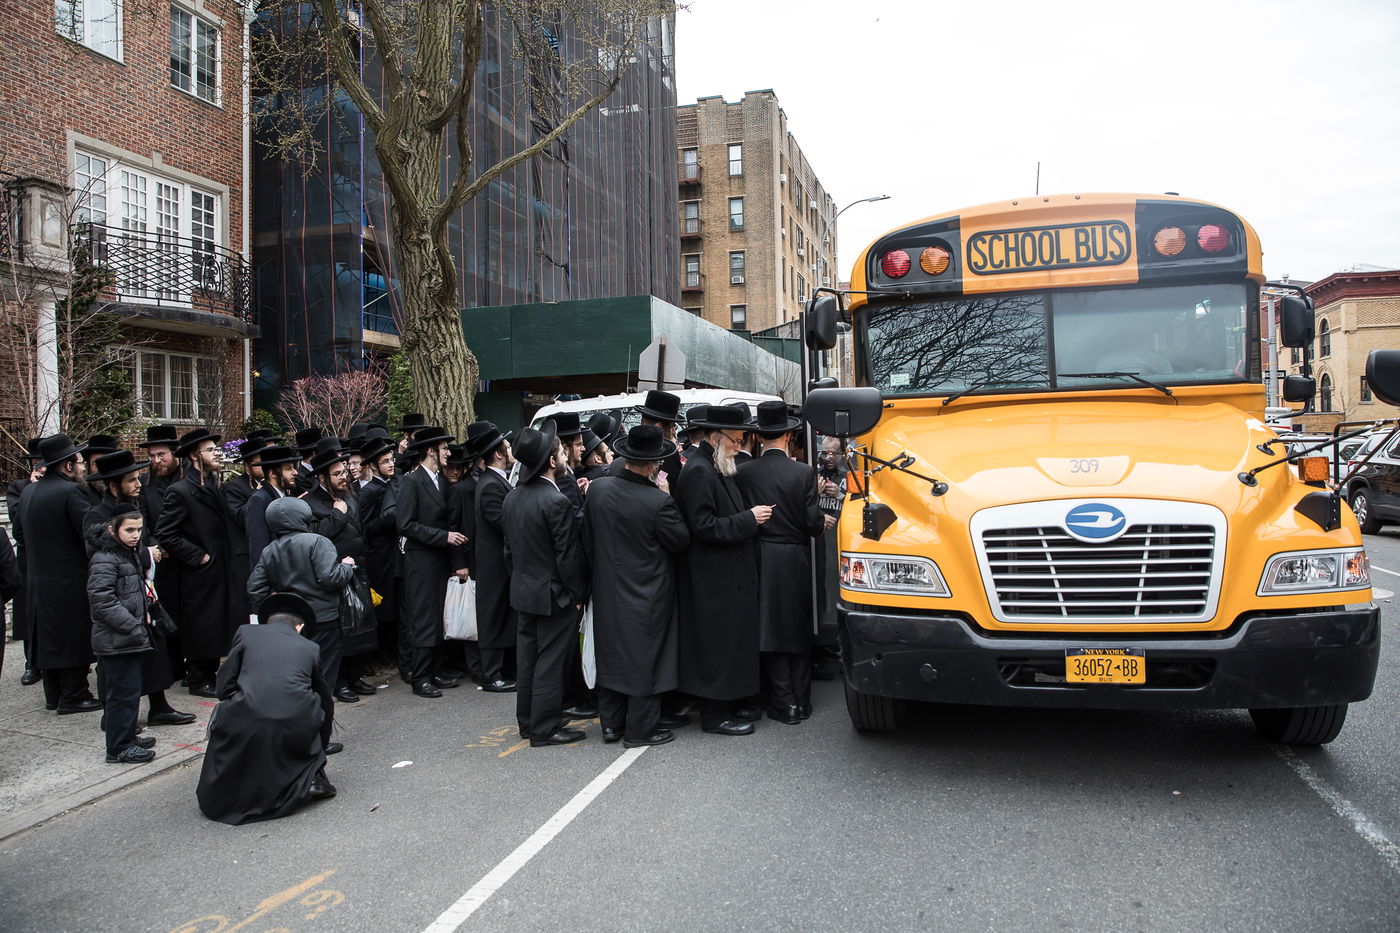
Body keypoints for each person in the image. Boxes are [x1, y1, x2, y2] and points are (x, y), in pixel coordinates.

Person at [582, 425, 691, 747]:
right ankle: (640, 730)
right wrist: (668, 496)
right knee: (646, 659)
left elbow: (585, 537)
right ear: (654, 465)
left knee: (611, 655)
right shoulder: (657, 501)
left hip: (606, 589)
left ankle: (611, 724)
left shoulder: (598, 490)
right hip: (647, 593)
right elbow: (680, 540)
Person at [671, 404, 772, 736]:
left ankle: (730, 703)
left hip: (725, 575)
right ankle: (715, 715)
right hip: (711, 579)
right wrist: (749, 519)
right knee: (716, 645)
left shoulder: (714, 465)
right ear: (716, 438)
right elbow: (702, 526)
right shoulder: (699, 471)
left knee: (729, 643)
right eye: (735, 440)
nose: (739, 447)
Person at [196, 593, 337, 825]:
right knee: (308, 707)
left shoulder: (246, 633)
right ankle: (312, 777)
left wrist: (244, 701)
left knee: (233, 717)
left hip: (245, 713)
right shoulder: (310, 647)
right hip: (295, 719)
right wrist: (319, 753)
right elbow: (324, 700)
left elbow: (224, 685)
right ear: (300, 627)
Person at [85, 450, 194, 727]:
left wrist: (151, 548)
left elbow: (145, 537)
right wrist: (147, 554)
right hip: (120, 598)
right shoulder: (97, 515)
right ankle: (114, 716)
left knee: (154, 651)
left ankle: (159, 705)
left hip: (143, 593)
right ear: (113, 485)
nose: (138, 484)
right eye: (131, 480)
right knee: (116, 662)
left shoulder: (135, 508)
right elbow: (102, 553)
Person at [736, 402, 826, 724]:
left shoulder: (745, 473)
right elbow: (814, 524)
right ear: (788, 435)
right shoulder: (803, 472)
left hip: (761, 555)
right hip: (796, 557)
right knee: (797, 627)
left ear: (758, 437)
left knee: (770, 630)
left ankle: (783, 702)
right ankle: (801, 701)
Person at [503, 423, 588, 747]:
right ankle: (544, 727)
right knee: (551, 661)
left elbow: (508, 552)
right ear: (551, 462)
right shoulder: (555, 501)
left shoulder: (513, 498)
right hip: (554, 594)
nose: (565, 455)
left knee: (529, 660)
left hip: (524, 590)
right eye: (560, 452)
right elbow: (567, 556)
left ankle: (529, 721)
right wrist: (577, 593)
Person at [247, 497, 356, 745]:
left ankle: (297, 735)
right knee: (323, 681)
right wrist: (347, 567)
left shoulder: (270, 550)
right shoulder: (318, 542)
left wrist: (276, 606)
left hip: (291, 625)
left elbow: (255, 589)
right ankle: (319, 739)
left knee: (299, 679)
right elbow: (330, 577)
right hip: (324, 620)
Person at [15, 434, 101, 713]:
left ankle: (54, 695)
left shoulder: (29, 492)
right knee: (71, 636)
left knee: (49, 638)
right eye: (80, 462)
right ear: (68, 465)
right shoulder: (71, 492)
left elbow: (19, 534)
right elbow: (91, 533)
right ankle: (75, 695)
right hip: (69, 578)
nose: (83, 467)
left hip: (38, 579)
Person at [154, 428, 243, 697]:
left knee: (216, 623)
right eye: (210, 450)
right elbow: (166, 533)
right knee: (201, 625)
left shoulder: (214, 484)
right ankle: (198, 677)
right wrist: (198, 556)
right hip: (199, 572)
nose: (216, 454)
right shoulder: (180, 491)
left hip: (220, 568)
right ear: (194, 455)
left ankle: (210, 673)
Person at [301, 438, 374, 703]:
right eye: (337, 474)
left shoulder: (350, 496)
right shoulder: (310, 503)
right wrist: (338, 515)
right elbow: (315, 537)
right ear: (322, 477)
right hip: (333, 574)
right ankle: (340, 682)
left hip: (357, 570)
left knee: (360, 626)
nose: (344, 477)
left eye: (344, 471)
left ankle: (355, 676)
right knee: (339, 630)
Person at [396, 425, 466, 698]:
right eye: (444, 448)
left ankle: (436, 669)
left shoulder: (440, 481)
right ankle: (421, 676)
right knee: (423, 617)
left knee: (438, 616)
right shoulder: (412, 482)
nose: (448, 453)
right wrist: (443, 536)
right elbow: (405, 524)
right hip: (421, 561)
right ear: (430, 451)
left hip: (439, 561)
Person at [87, 504, 159, 764]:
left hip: (128, 637)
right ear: (112, 529)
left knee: (129, 691)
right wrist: (133, 625)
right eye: (129, 530)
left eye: (139, 529)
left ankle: (126, 737)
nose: (135, 535)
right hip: (117, 639)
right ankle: (119, 747)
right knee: (121, 694)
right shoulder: (105, 559)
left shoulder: (126, 554)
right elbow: (102, 601)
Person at [472, 422, 518, 692]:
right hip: (493, 564)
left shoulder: (497, 479)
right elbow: (501, 522)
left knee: (502, 616)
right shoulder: (490, 484)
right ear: (498, 454)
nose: (511, 451)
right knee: (492, 617)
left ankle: (503, 669)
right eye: (507, 447)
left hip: (500, 562)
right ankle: (491, 674)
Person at [356, 435, 402, 674]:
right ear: (373, 466)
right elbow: (364, 527)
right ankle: (383, 652)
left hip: (393, 553)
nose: (391, 464)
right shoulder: (370, 492)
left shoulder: (392, 484)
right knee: (384, 606)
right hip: (379, 557)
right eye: (385, 461)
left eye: (391, 459)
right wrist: (388, 519)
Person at [7, 438, 44, 686]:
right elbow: (16, 520)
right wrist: (31, 489)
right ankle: (31, 663)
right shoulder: (18, 488)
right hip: (28, 559)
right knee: (29, 611)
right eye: (36, 462)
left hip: (53, 557)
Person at [244, 445, 303, 569]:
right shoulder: (259, 500)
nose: (295, 472)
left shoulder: (285, 496)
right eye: (289, 468)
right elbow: (258, 546)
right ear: (273, 473)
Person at [608, 390, 683, 481]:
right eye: (672, 426)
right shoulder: (669, 459)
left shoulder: (616, 464)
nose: (674, 432)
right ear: (659, 427)